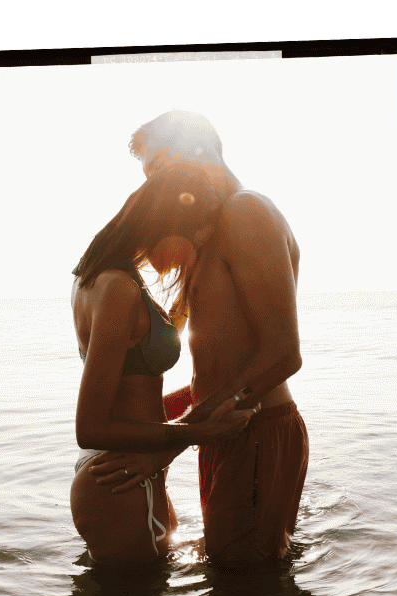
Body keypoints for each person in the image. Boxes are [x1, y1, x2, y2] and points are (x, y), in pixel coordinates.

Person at [88, 110, 307, 566]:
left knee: (246, 582)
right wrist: (147, 424)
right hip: (223, 429)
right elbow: (220, 366)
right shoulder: (208, 231)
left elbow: (283, 355)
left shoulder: (247, 212)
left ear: (195, 151)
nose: (151, 185)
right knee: (227, 573)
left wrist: (175, 442)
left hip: (255, 429)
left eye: (156, 167)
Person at [70, 163, 258, 563]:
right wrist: (201, 432)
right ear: (169, 225)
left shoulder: (102, 276)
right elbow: (90, 427)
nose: (192, 257)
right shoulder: (118, 288)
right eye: (194, 242)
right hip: (119, 481)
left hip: (130, 477)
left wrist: (204, 395)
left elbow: (133, 392)